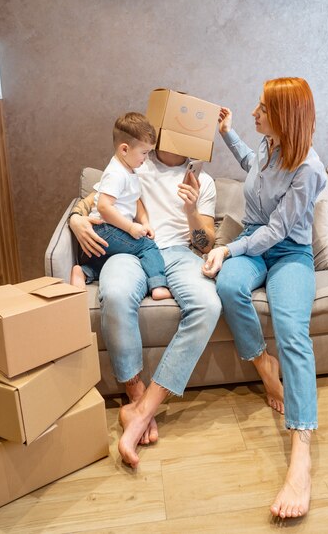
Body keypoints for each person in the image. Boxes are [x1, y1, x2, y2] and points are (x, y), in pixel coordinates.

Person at [202, 77, 326, 520]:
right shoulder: (271, 147)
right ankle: (263, 367)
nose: (254, 111)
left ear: (283, 117)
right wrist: (229, 133)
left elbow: (278, 231)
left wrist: (226, 247)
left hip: (288, 250)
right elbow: (254, 163)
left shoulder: (309, 168)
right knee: (229, 285)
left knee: (293, 331)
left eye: (262, 108)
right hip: (255, 240)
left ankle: (302, 452)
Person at [69, 142, 222, 468]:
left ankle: (143, 410)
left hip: (180, 254)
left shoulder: (201, 179)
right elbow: (90, 202)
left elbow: (206, 243)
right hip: (129, 249)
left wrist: (192, 211)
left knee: (209, 305)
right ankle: (135, 396)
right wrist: (75, 220)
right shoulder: (134, 162)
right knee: (115, 294)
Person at [71, 112, 171, 300]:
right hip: (104, 228)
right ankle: (158, 285)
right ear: (124, 149)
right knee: (147, 247)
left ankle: (83, 272)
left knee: (108, 260)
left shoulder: (129, 170)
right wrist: (131, 227)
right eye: (144, 153)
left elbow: (135, 200)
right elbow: (103, 207)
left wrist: (145, 221)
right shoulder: (116, 173)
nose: (146, 158)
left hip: (106, 232)